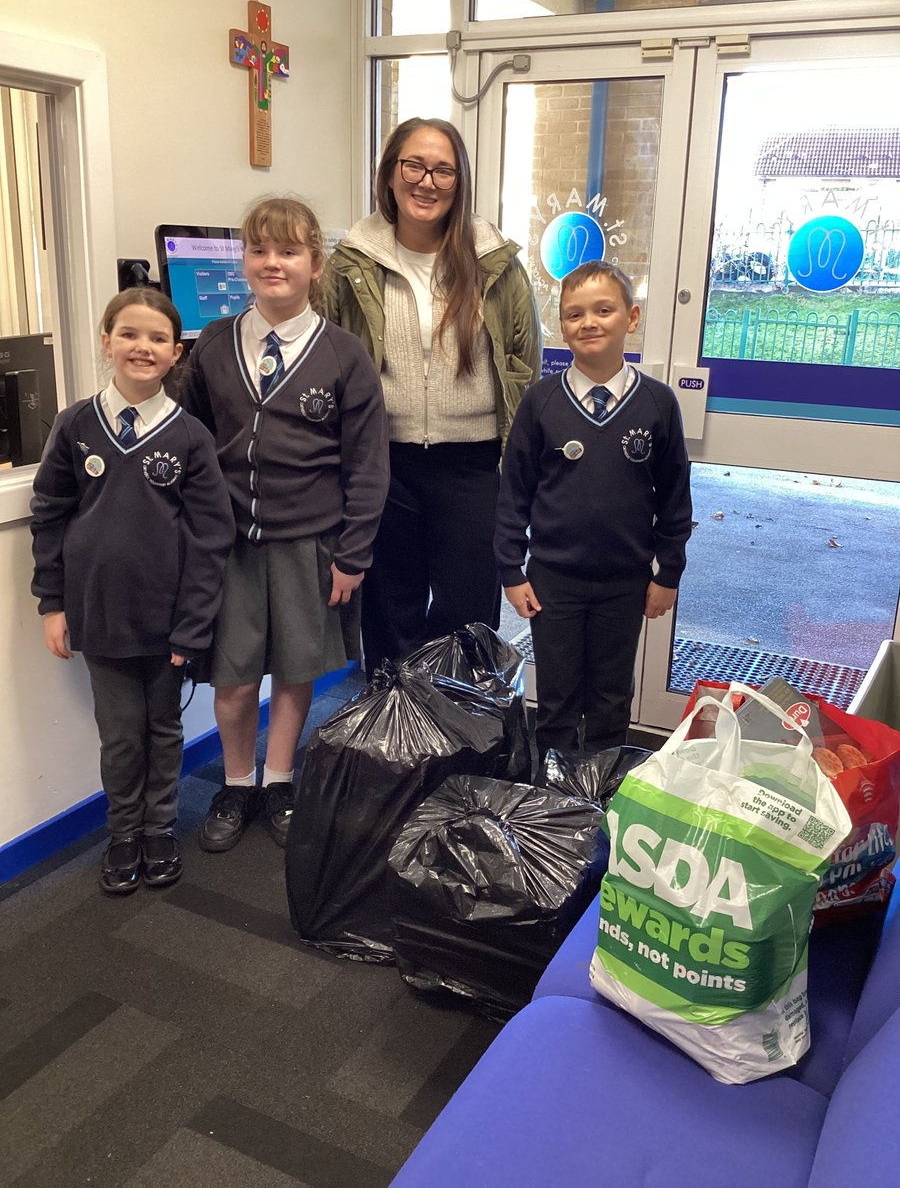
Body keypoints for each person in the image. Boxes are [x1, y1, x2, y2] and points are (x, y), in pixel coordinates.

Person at [180, 195, 389, 852]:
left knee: (296, 668)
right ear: (244, 260)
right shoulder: (214, 345)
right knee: (235, 676)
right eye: (260, 250)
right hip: (231, 545)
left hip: (310, 543)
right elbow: (189, 436)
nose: (273, 262)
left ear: (314, 265)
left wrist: (353, 554)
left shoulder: (344, 354)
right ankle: (235, 784)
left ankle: (278, 780)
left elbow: (367, 462)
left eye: (289, 251)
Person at [31, 288, 235, 895]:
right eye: (129, 334)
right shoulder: (75, 425)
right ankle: (124, 833)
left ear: (176, 353)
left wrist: (193, 625)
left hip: (168, 620)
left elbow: (210, 537)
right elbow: (49, 515)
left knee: (163, 730)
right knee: (120, 737)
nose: (142, 347)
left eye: (157, 338)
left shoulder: (190, 436)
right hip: (100, 617)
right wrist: (52, 603)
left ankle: (159, 828)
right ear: (107, 341)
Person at [324, 117, 542, 673]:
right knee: (388, 616)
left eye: (443, 170)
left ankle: (457, 724)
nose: (427, 182)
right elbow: (327, 359)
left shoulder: (496, 263)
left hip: (471, 465)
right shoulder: (352, 263)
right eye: (414, 166)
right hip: (384, 464)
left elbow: (524, 367)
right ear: (390, 175)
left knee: (467, 622)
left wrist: (521, 469)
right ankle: (393, 724)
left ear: (459, 181)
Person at [494, 260, 693, 760]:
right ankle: (554, 788)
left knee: (611, 696)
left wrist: (668, 572)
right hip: (552, 581)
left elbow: (674, 497)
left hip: (625, 582)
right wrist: (511, 570)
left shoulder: (658, 403)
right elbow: (514, 492)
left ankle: (602, 785)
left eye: (604, 310)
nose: (589, 323)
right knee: (556, 698)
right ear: (561, 327)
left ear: (631, 317)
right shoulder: (540, 402)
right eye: (574, 314)